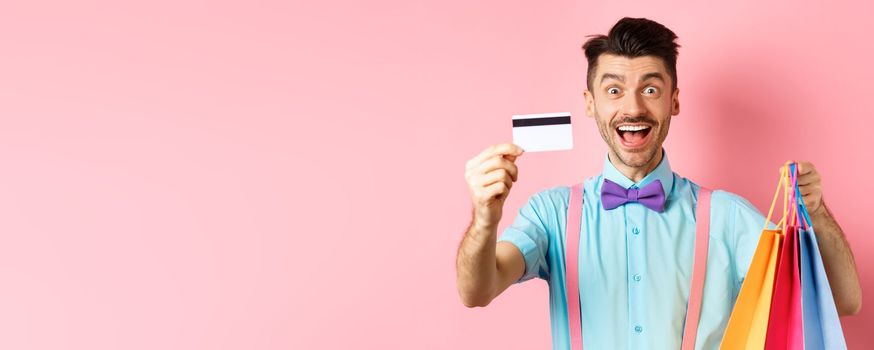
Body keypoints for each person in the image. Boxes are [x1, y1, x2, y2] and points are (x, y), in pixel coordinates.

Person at [455, 17, 862, 349]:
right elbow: (477, 291)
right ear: (589, 103)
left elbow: (844, 301)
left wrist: (818, 212)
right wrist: (484, 220)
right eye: (614, 89)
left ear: (674, 101)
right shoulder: (551, 213)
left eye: (650, 89)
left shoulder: (727, 217)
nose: (632, 107)